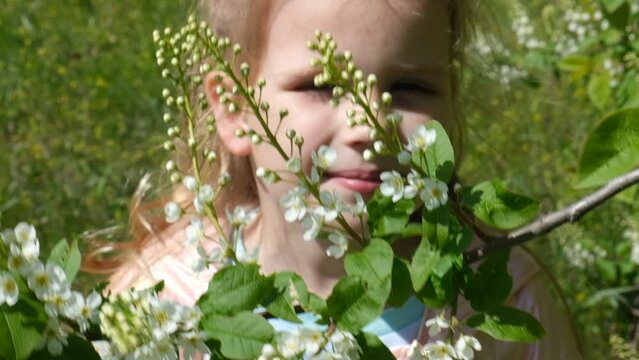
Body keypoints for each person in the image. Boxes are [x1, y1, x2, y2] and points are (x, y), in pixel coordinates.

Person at [101, 0, 584, 358]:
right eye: (320, 86)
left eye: (409, 88)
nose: (370, 127)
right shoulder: (165, 300)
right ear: (236, 110)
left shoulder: (500, 303)